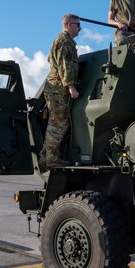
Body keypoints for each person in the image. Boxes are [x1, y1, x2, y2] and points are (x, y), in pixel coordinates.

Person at [40, 14, 81, 170]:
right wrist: (71, 87)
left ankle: (46, 158)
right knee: (59, 124)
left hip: (54, 86)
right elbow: (65, 65)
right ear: (69, 25)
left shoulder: (60, 40)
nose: (80, 28)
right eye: (78, 25)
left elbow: (50, 60)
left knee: (56, 123)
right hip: (59, 88)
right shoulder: (65, 42)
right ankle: (51, 160)